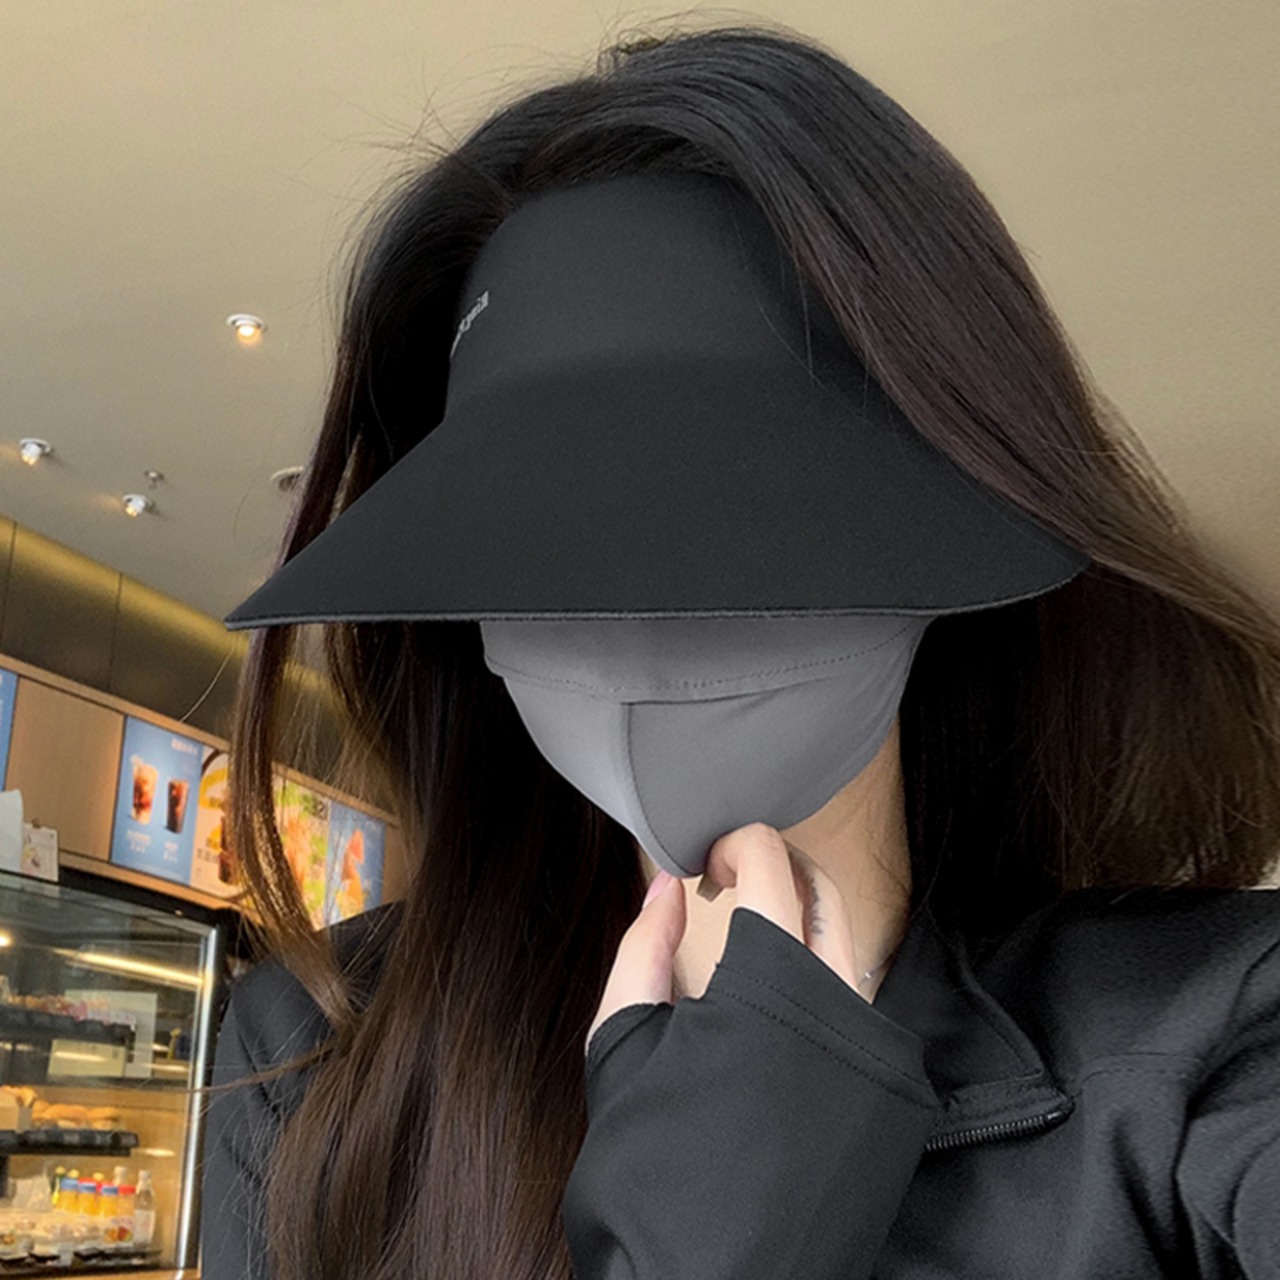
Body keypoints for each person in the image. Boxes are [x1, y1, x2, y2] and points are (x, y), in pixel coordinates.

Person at [197, 21, 1280, 1280]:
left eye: (734, 507)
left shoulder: (1208, 1046)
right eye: (543, 532)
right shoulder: (315, 1047)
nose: (642, 614)